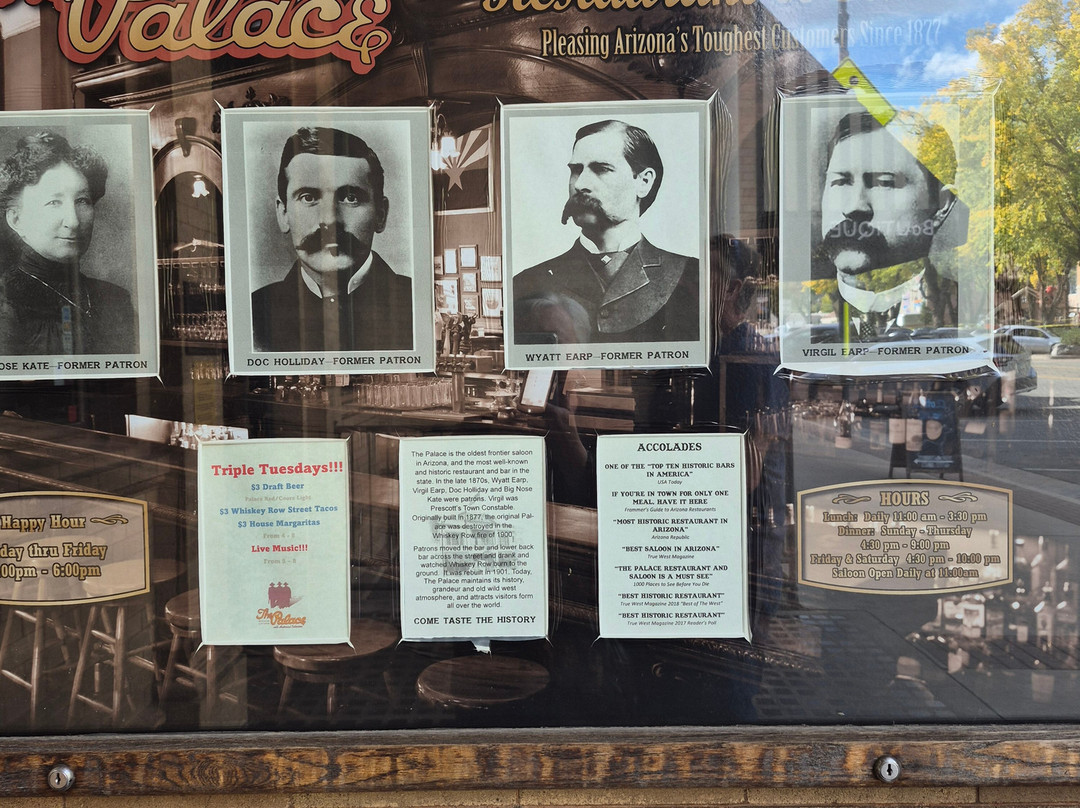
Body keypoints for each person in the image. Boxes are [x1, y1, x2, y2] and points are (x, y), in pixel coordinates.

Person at [512, 119, 698, 345]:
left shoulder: (692, 277)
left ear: (644, 182)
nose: (580, 184)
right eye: (576, 170)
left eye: (601, 169)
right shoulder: (527, 283)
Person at [251, 127, 413, 352]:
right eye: (308, 197)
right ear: (283, 213)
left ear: (380, 214)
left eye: (350, 198)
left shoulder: (415, 303)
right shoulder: (254, 312)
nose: (329, 220)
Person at [814, 109, 961, 339]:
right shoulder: (807, 330)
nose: (854, 206)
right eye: (841, 181)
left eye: (884, 183)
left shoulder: (956, 313)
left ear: (941, 205)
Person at [0, 131, 136, 355]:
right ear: (16, 219)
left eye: (82, 200)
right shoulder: (7, 304)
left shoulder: (115, 299)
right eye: (54, 202)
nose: (73, 221)